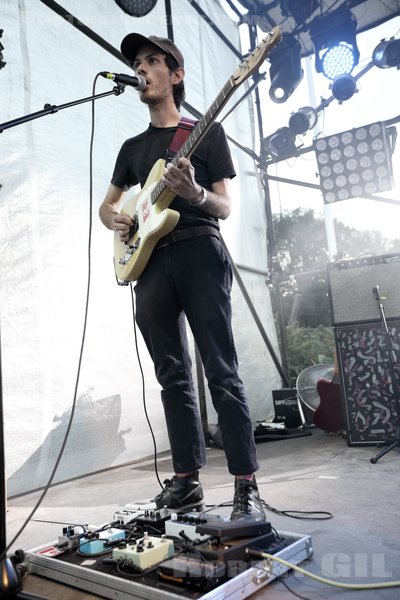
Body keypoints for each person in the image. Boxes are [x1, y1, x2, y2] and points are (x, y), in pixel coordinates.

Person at [99, 33, 265, 521]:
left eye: (152, 60)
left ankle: (245, 483)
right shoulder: (132, 148)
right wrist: (118, 219)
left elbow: (224, 206)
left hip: (198, 252)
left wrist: (193, 193)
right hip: (149, 262)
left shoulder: (206, 133)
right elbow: (107, 207)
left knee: (220, 367)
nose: (142, 68)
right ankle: (186, 480)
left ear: (176, 75)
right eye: (137, 62)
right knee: (171, 375)